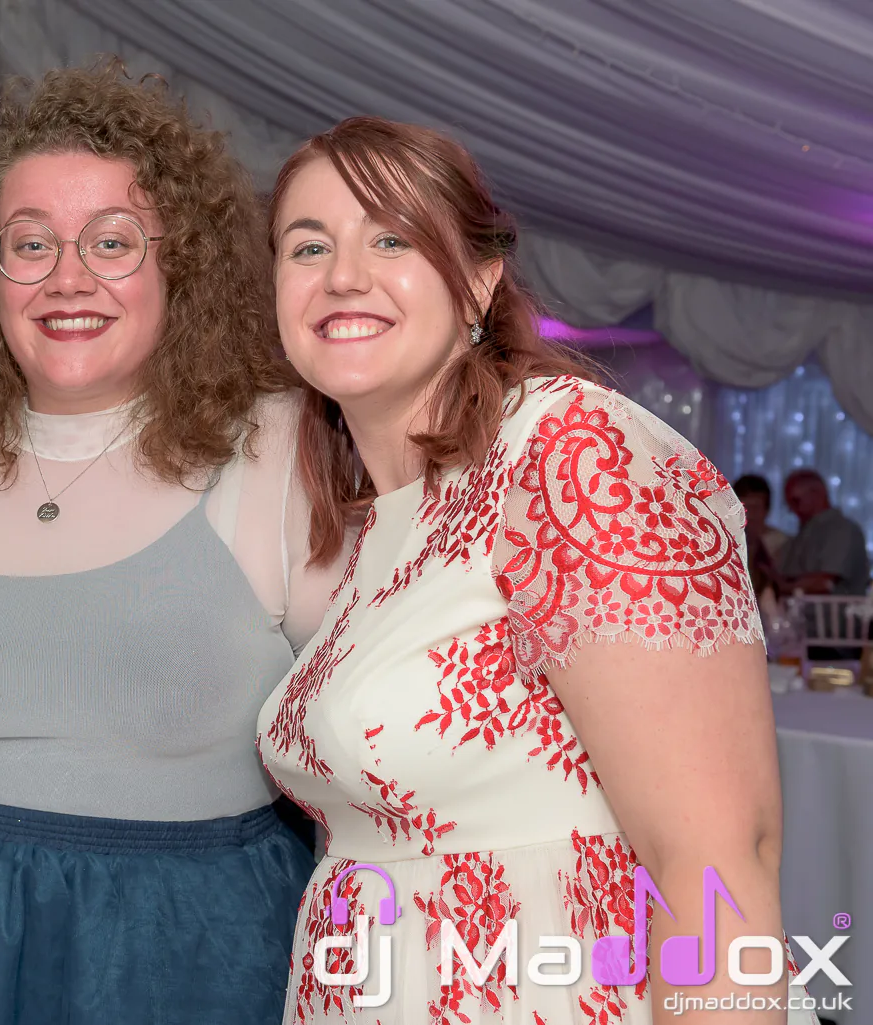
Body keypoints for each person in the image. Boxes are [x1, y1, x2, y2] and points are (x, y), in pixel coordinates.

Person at [257, 117, 814, 1023]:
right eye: (308, 246)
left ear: (479, 281)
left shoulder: (567, 452)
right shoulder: (378, 528)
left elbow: (717, 861)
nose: (343, 275)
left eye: (392, 238)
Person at [0, 65, 349, 1025]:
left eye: (113, 241)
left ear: (181, 266)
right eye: (30, 243)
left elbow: (378, 741)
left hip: (178, 960)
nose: (68, 278)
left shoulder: (286, 448)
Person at [776, 468, 869, 595]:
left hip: (835, 608)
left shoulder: (841, 530)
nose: (792, 509)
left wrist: (783, 587)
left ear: (817, 494)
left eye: (796, 501)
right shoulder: (803, 534)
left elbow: (825, 582)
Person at [733, 474, 792, 596]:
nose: (749, 514)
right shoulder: (724, 542)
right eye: (744, 507)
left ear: (767, 509)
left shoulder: (781, 542)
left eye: (756, 507)